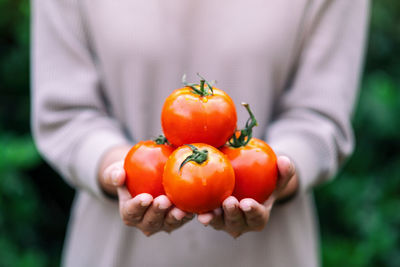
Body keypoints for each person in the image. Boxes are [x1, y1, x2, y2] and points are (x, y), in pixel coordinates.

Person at [32, 0, 369, 266]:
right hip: (115, 252)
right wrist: (121, 171)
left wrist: (276, 175)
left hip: (268, 255)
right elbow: (66, 112)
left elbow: (319, 115)